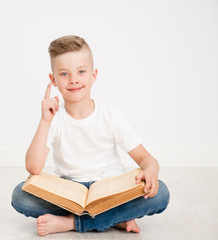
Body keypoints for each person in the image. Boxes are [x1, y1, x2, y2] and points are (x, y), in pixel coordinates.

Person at [11, 35, 170, 236]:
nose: (74, 79)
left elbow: (146, 159)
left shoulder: (110, 116)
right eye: (64, 74)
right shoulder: (53, 118)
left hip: (110, 190)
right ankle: (114, 218)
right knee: (20, 195)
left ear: (93, 75)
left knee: (160, 193)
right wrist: (44, 122)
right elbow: (34, 168)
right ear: (53, 80)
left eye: (81, 71)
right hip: (70, 193)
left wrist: (151, 171)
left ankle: (73, 223)